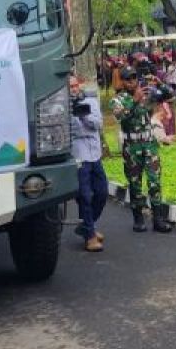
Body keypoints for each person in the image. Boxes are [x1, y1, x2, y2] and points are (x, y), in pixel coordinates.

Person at [108, 67, 172, 233]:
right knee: (135, 184)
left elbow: (170, 96)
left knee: (154, 182)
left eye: (134, 78)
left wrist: (161, 85)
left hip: (149, 144)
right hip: (132, 147)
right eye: (128, 79)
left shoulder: (146, 95)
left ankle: (158, 219)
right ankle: (138, 219)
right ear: (122, 81)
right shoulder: (117, 100)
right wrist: (135, 101)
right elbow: (121, 117)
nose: (132, 82)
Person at [69, 74, 107, 252]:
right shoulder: (62, 107)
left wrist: (84, 116)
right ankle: (90, 236)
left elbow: (98, 124)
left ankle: (87, 226)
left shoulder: (91, 102)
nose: (73, 89)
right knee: (84, 195)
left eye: (75, 86)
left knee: (101, 192)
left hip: (95, 153)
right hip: (79, 155)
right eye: (70, 87)